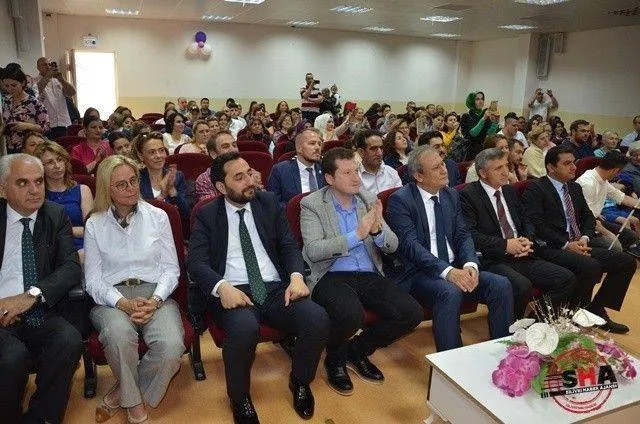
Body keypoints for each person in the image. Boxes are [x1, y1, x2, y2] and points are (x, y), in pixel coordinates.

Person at [187, 152, 329, 423]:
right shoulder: (207, 214)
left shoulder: (268, 202)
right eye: (239, 177)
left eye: (249, 173)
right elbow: (196, 262)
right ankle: (240, 398)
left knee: (317, 318)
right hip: (234, 291)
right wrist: (221, 286)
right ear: (221, 187)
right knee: (244, 329)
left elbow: (288, 245)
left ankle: (300, 381)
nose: (249, 181)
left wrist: (296, 276)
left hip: (274, 288)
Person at [301, 146, 423, 396]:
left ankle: (357, 350)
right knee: (350, 315)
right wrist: (356, 235)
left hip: (368, 273)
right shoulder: (312, 204)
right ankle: (335, 360)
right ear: (330, 178)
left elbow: (392, 244)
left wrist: (376, 231)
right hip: (330, 274)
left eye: (356, 171)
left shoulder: (367, 199)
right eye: (347, 173)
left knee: (411, 313)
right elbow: (313, 251)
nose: (356, 178)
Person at [85, 155, 184, 424]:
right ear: (106, 189)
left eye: (133, 181)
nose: (131, 188)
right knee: (118, 335)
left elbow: (171, 269)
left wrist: (156, 299)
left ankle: (122, 392)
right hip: (111, 298)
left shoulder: (158, 216)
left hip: (155, 293)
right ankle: (135, 404)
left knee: (172, 346)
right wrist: (122, 303)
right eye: (121, 184)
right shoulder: (95, 223)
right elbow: (92, 280)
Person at [386, 145, 513, 351]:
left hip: (455, 266)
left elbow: (463, 234)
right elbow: (410, 246)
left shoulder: (450, 195)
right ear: (419, 175)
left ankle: (504, 349)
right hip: (419, 273)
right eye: (436, 168)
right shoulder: (401, 200)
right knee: (449, 291)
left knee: (501, 284)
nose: (444, 170)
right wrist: (448, 272)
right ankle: (451, 356)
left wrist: (470, 264)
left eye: (443, 164)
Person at [0, 153, 82, 424]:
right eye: (22, 183)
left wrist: (31, 296)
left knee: (68, 340)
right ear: (3, 188)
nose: (35, 190)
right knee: (12, 358)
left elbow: (70, 267)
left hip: (39, 307)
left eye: (39, 181)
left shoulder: (54, 214)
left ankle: (41, 418)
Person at [521, 145, 635, 334]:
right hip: (551, 246)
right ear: (551, 167)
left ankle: (595, 308)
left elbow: (588, 217)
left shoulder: (574, 188)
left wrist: (585, 237)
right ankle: (571, 313)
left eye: (573, 162)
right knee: (590, 265)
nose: (574, 167)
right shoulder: (536, 188)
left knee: (626, 261)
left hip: (578, 242)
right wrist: (566, 244)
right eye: (567, 163)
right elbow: (536, 224)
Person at [460, 148, 576, 318]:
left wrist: (527, 239)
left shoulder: (508, 190)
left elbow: (526, 220)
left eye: (506, 166)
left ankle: (534, 323)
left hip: (522, 254)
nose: (505, 171)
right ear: (483, 173)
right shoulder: (468, 195)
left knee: (566, 279)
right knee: (522, 286)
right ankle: (511, 328)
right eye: (498, 168)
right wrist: (506, 245)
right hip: (492, 258)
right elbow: (470, 235)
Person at [575, 151, 640, 253]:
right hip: (584, 226)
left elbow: (622, 198)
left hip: (595, 220)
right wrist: (609, 234)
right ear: (615, 171)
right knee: (616, 247)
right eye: (619, 172)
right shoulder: (588, 183)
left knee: (631, 236)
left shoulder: (602, 180)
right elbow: (586, 218)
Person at [35, 141, 93, 255]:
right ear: (40, 167)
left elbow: (91, 230)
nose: (57, 166)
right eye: (50, 162)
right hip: (50, 251)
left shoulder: (83, 190)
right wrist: (73, 230)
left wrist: (58, 231)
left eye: (60, 159)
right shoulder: (37, 194)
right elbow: (38, 231)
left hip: (82, 249)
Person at [135, 132, 190, 219]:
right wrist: (162, 196)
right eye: (152, 152)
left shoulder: (177, 176)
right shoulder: (136, 180)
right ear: (141, 156)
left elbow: (186, 214)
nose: (158, 156)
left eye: (161, 150)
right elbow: (137, 215)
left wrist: (172, 191)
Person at [267, 128, 326, 209]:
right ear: (299, 148)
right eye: (312, 143)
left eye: (319, 144)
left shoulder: (325, 168)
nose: (317, 147)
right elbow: (274, 204)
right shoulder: (280, 170)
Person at [1, 66, 50, 154]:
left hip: (30, 149)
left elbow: (46, 127)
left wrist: (27, 126)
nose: (10, 89)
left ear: (23, 83)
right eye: (7, 86)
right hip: (11, 148)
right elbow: (5, 122)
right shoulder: (7, 101)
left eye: (13, 85)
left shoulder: (33, 103)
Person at [34, 58, 75, 139]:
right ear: (38, 67)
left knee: (62, 146)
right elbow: (37, 90)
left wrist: (62, 80)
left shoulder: (58, 80)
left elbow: (72, 93)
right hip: (46, 124)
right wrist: (48, 76)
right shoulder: (34, 81)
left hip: (62, 122)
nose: (48, 66)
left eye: (49, 64)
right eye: (44, 65)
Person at [355, 129, 402, 195]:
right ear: (361, 152)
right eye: (374, 148)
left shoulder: (391, 172)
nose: (379, 153)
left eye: (381, 148)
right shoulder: (355, 179)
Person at [460, 91, 499, 160]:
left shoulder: (485, 114)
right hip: (471, 151)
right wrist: (483, 118)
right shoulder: (466, 116)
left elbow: (489, 134)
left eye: (482, 99)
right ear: (472, 101)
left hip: (484, 149)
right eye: (477, 99)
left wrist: (495, 123)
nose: (481, 101)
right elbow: (472, 134)